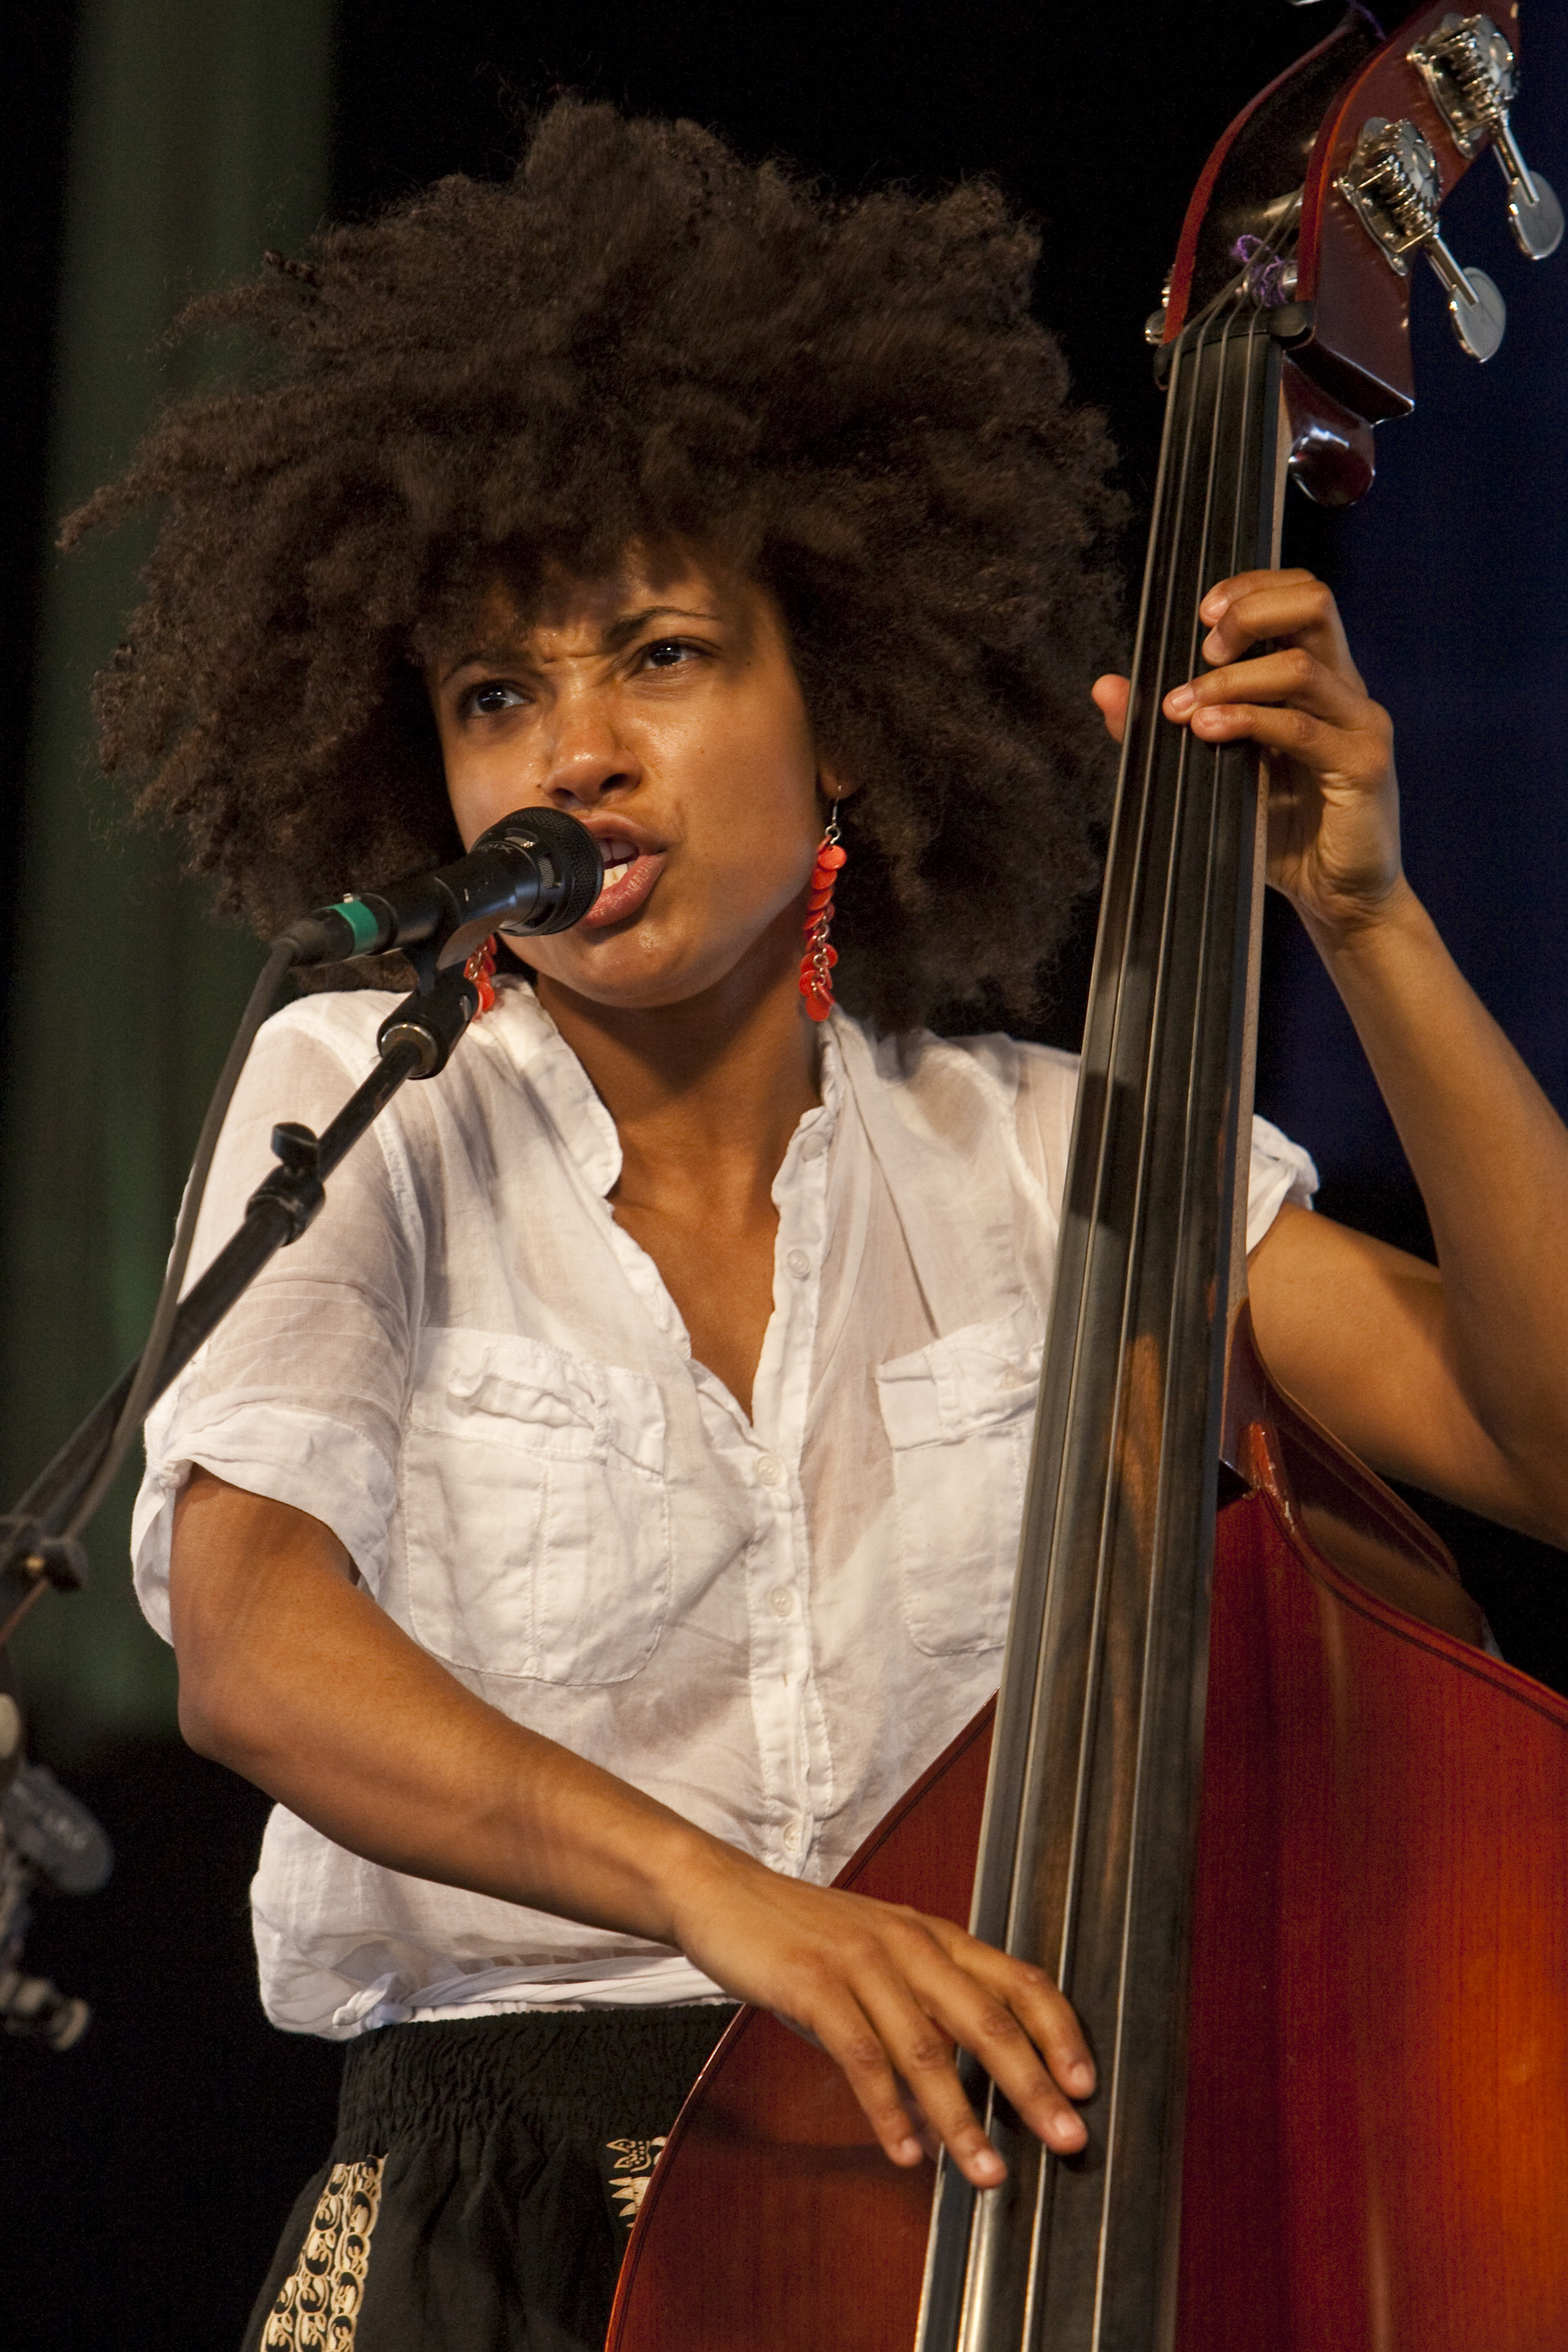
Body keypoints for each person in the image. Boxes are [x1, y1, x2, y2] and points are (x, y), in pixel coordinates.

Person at [69, 101, 1568, 2352]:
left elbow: (1536, 1438)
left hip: (968, 2234)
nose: (569, 753)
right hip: (499, 2239)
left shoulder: (1065, 1160)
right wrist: (743, 1911)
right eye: (500, 694)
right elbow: (259, 1650)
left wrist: (1370, 926)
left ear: (844, 712)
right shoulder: (361, 1090)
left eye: (657, 658)